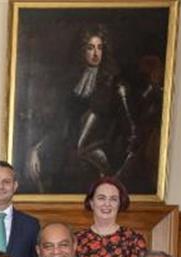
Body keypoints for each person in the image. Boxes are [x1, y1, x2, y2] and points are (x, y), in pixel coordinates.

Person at [25, 27, 139, 196]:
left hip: (98, 162)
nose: (95, 53)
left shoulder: (115, 85)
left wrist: (114, 170)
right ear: (82, 50)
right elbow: (60, 125)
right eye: (90, 47)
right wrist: (36, 149)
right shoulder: (71, 83)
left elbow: (130, 132)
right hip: (69, 159)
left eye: (99, 47)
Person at [74, 176, 148, 257]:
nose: (107, 204)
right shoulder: (77, 240)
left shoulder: (134, 241)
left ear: (120, 204)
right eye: (101, 198)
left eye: (113, 199)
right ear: (91, 203)